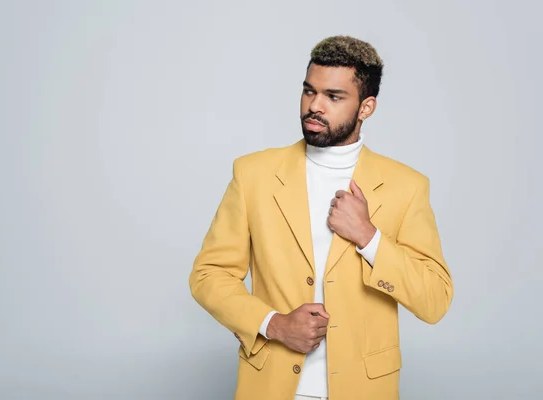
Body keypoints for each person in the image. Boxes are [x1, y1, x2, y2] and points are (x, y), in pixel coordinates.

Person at [189, 35, 453, 400]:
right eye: (309, 91)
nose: (314, 106)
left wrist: (369, 237)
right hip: (271, 385)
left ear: (366, 107)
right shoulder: (254, 174)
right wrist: (274, 324)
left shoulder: (406, 187)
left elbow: (435, 300)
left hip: (363, 389)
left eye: (334, 96)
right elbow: (209, 275)